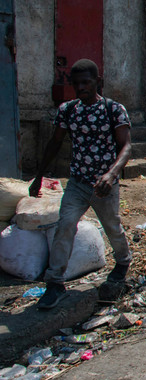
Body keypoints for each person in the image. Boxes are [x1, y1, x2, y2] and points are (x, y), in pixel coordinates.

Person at [29, 59, 132, 308]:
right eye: (76, 84)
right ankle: (54, 283)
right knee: (64, 226)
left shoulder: (114, 109)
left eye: (86, 82)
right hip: (77, 183)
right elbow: (55, 142)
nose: (81, 87)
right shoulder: (68, 110)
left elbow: (126, 146)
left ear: (98, 82)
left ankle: (123, 261)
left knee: (112, 227)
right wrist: (39, 176)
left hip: (104, 185)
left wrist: (111, 174)